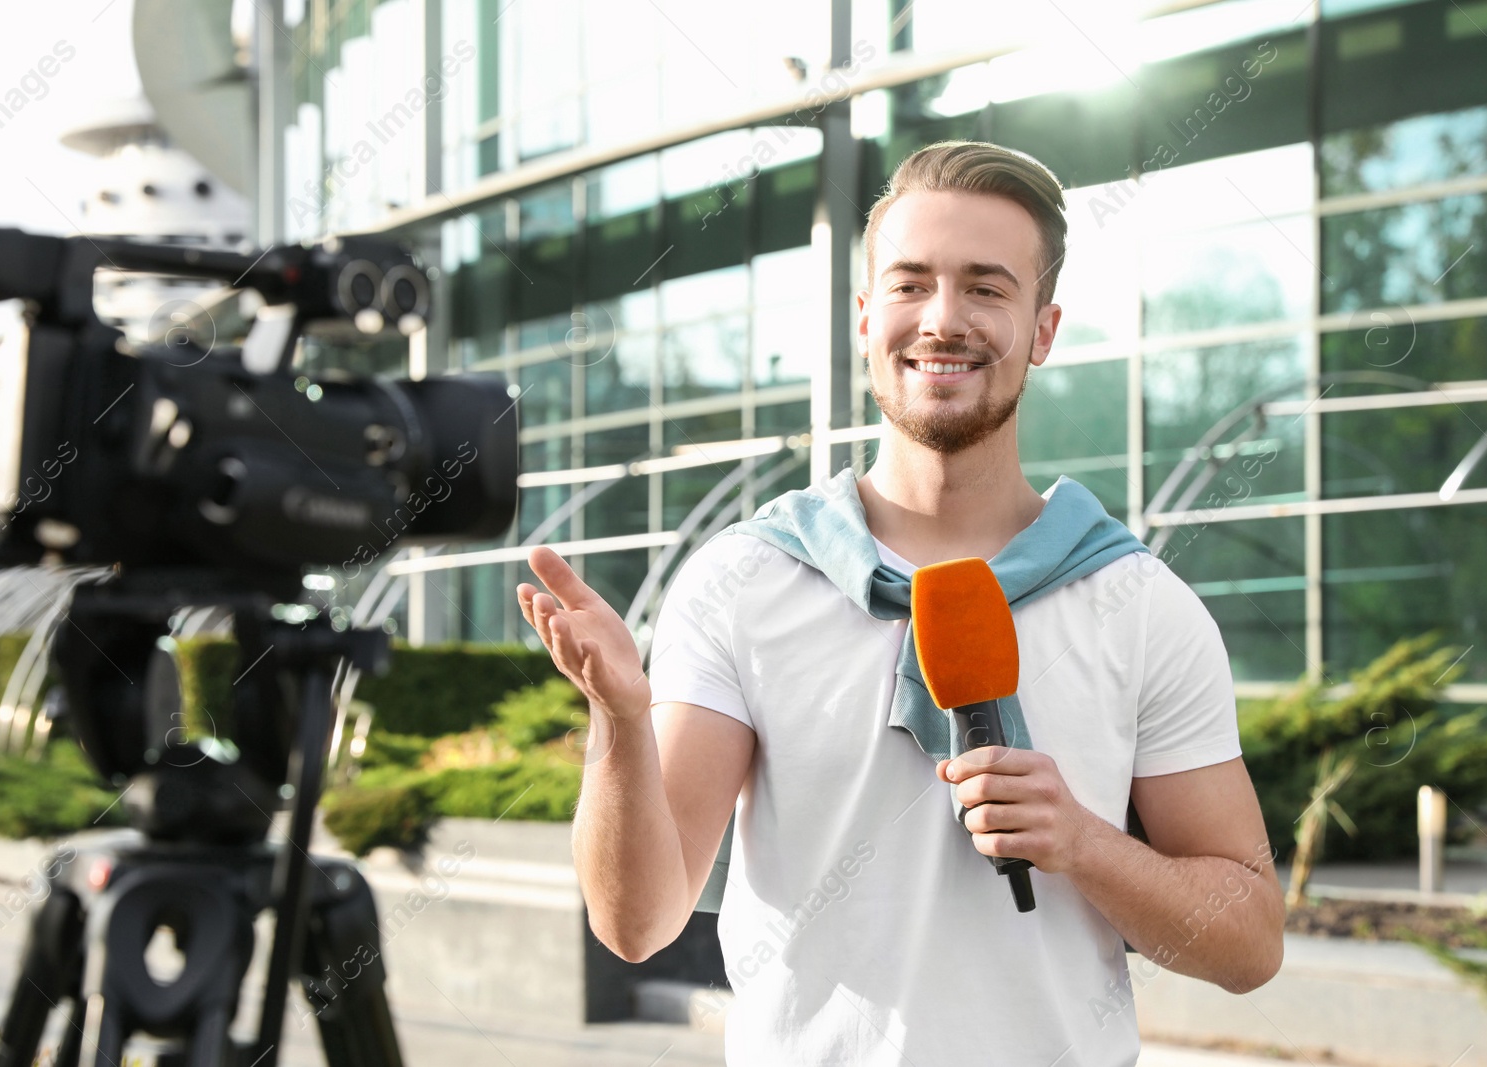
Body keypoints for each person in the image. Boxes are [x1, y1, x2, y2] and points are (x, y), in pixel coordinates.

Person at [516, 140, 1284, 1065]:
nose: (943, 318)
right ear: (865, 313)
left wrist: (1084, 842)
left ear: (1042, 330)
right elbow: (637, 923)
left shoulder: (1140, 604)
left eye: (987, 288)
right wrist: (618, 722)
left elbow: (1250, 944)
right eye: (912, 283)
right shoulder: (743, 581)